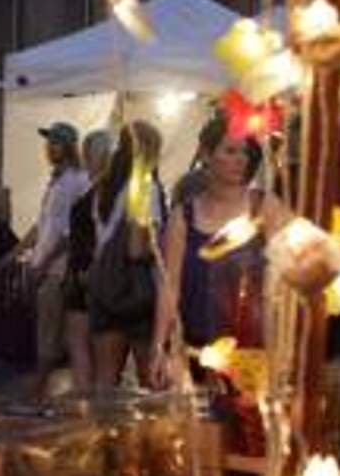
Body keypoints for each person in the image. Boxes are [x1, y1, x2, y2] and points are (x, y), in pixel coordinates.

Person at [155, 111, 286, 361]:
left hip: (255, 348)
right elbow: (169, 286)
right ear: (206, 154)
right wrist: (160, 344)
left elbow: (286, 276)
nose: (241, 160)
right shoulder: (183, 217)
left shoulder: (265, 207)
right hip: (197, 346)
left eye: (245, 152)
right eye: (230, 151)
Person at [85, 120, 165, 388]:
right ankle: (145, 432)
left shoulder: (104, 186)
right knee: (149, 379)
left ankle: (101, 429)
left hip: (102, 286)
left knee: (105, 377)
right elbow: (136, 248)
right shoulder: (144, 187)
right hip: (135, 290)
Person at [12, 122, 90, 399]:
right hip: (45, 264)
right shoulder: (57, 179)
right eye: (48, 143)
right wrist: (17, 252)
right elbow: (43, 223)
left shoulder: (77, 181)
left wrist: (44, 265)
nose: (48, 148)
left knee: (51, 332)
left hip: (59, 268)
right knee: (48, 330)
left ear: (67, 147)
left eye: (54, 143)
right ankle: (46, 390)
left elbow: (71, 233)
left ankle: (39, 391)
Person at [63, 128, 115, 392]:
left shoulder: (94, 198)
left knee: (81, 349)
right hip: (109, 283)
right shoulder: (118, 195)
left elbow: (88, 242)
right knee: (104, 359)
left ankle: (87, 409)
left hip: (86, 280)